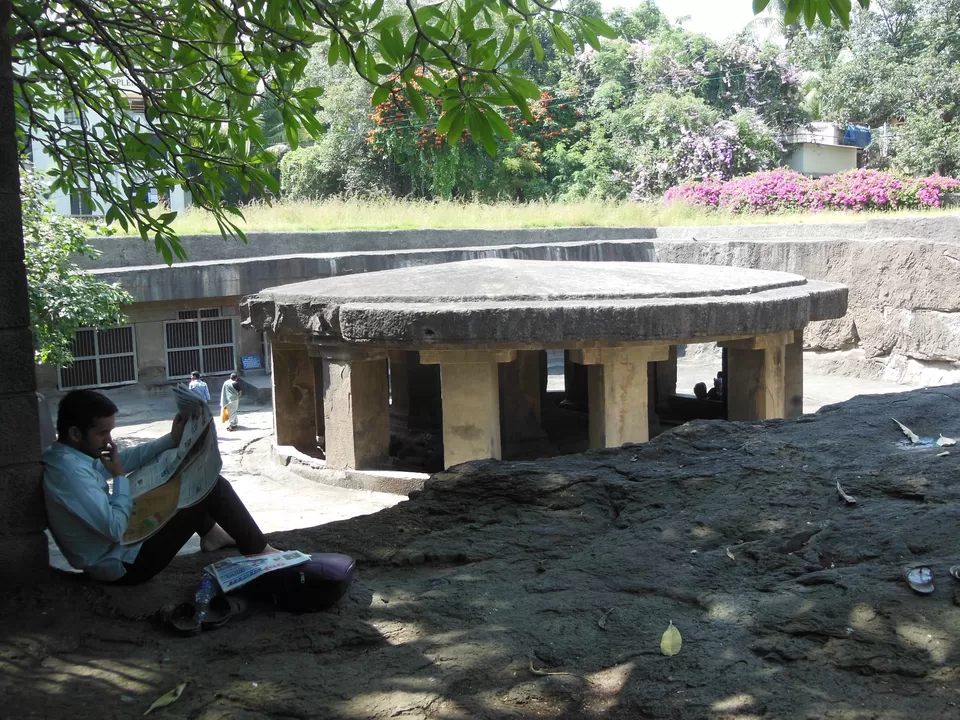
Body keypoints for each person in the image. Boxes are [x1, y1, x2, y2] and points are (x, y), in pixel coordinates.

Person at [43, 389, 276, 585]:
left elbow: (120, 460)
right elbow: (114, 528)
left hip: (118, 548)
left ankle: (212, 534)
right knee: (213, 485)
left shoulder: (70, 457)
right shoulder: (69, 475)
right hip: (124, 566)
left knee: (186, 477)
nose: (109, 441)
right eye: (102, 433)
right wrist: (121, 478)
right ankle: (260, 550)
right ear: (75, 433)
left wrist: (171, 441)